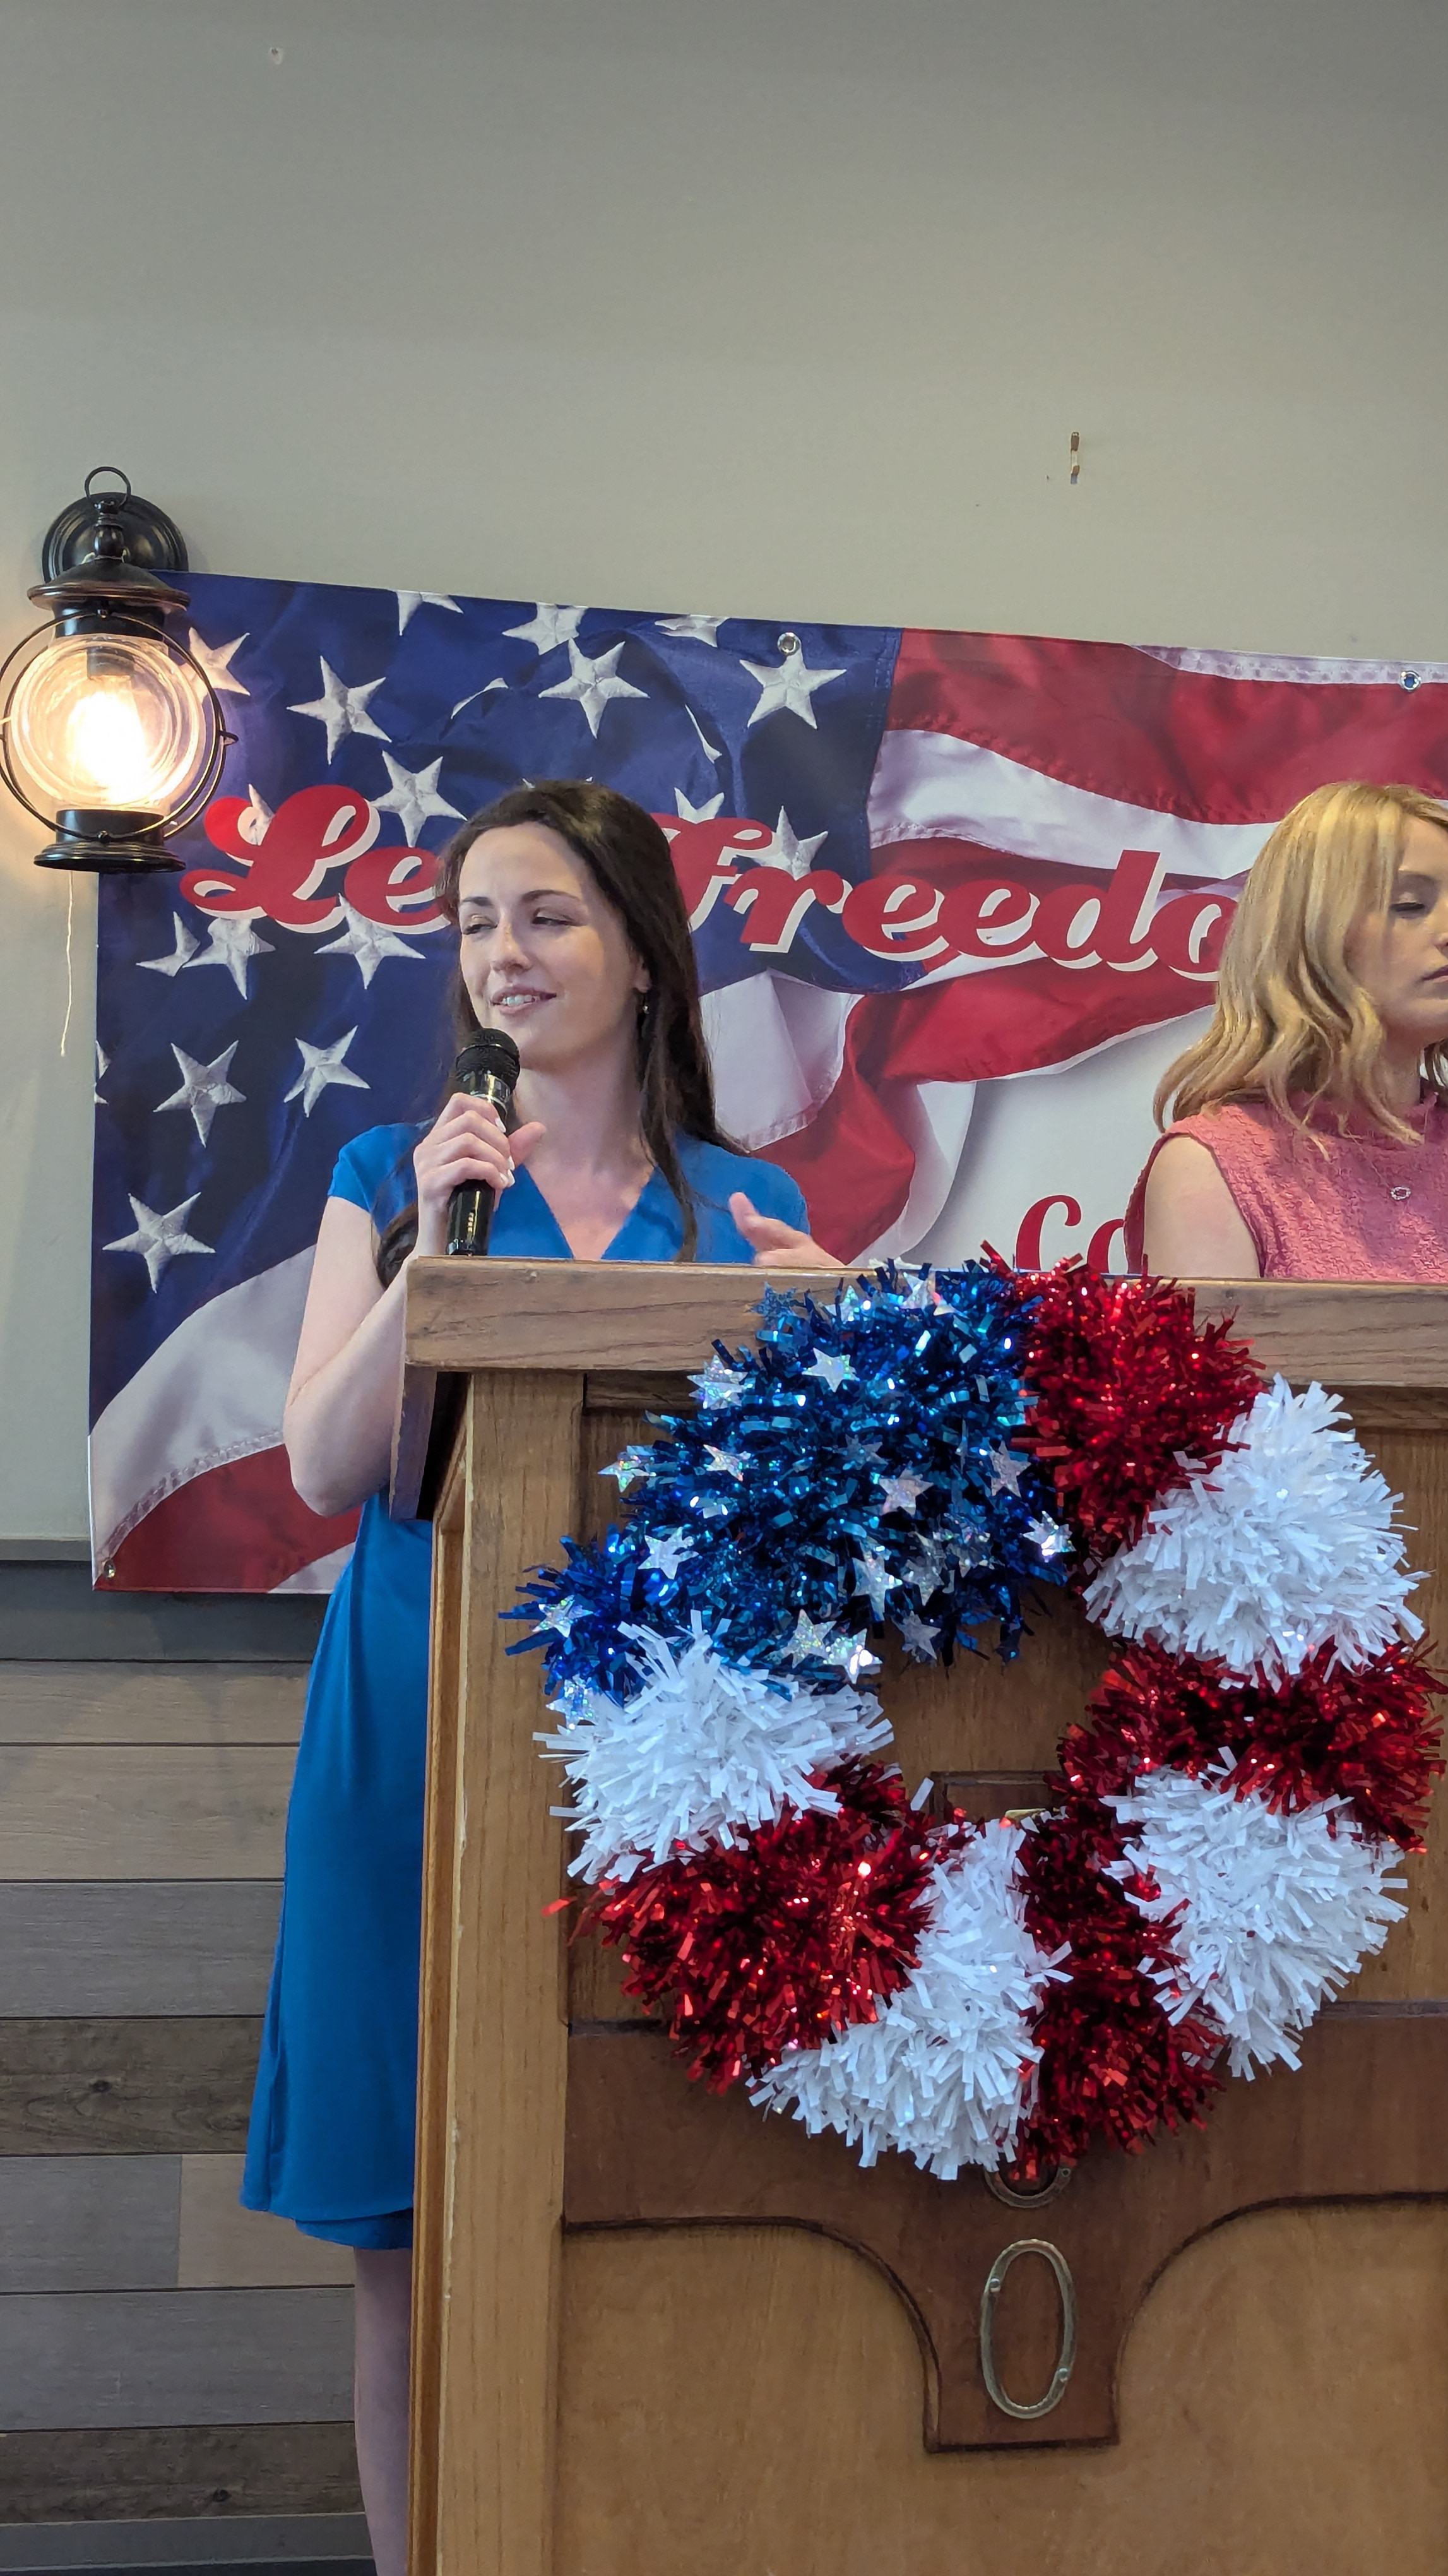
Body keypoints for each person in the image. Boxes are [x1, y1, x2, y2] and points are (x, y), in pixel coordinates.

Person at [242, 781, 829, 2576]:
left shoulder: (746, 1205)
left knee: (643, 2196)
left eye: (551, 915)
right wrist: (427, 1253)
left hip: (666, 1748)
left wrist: (840, 1335)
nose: (508, 953)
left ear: (645, 952)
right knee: (409, 2235)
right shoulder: (391, 1177)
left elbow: (813, 1515)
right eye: (482, 920)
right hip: (415, 1722)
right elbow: (323, 1474)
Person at [1131, 778, 1448, 1918]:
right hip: (1283, 1709)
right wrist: (1372, 1675)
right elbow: (1214, 1488)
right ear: (1313, 934)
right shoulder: (1213, 1168)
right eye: (1412, 903)